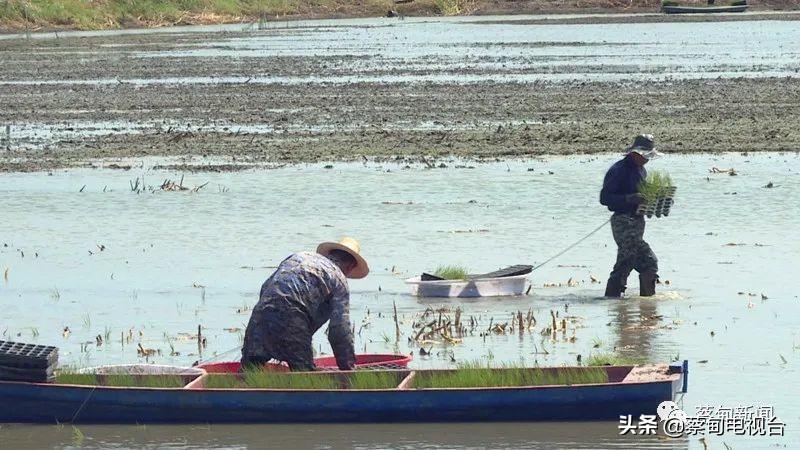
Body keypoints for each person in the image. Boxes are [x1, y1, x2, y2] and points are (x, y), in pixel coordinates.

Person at [241, 237, 369, 371]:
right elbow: (339, 330)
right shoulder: (339, 279)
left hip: (260, 314)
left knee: (249, 373)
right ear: (350, 267)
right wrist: (348, 369)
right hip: (293, 318)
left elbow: (266, 286)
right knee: (304, 377)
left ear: (330, 254)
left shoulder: (299, 257)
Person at [600, 134, 662, 298]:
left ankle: (631, 307)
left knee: (635, 264)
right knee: (638, 262)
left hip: (636, 222)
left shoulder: (641, 170)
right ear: (634, 153)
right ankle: (621, 303)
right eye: (645, 156)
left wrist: (653, 199)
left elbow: (643, 194)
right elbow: (605, 198)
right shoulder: (618, 170)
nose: (647, 160)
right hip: (623, 222)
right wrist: (629, 198)